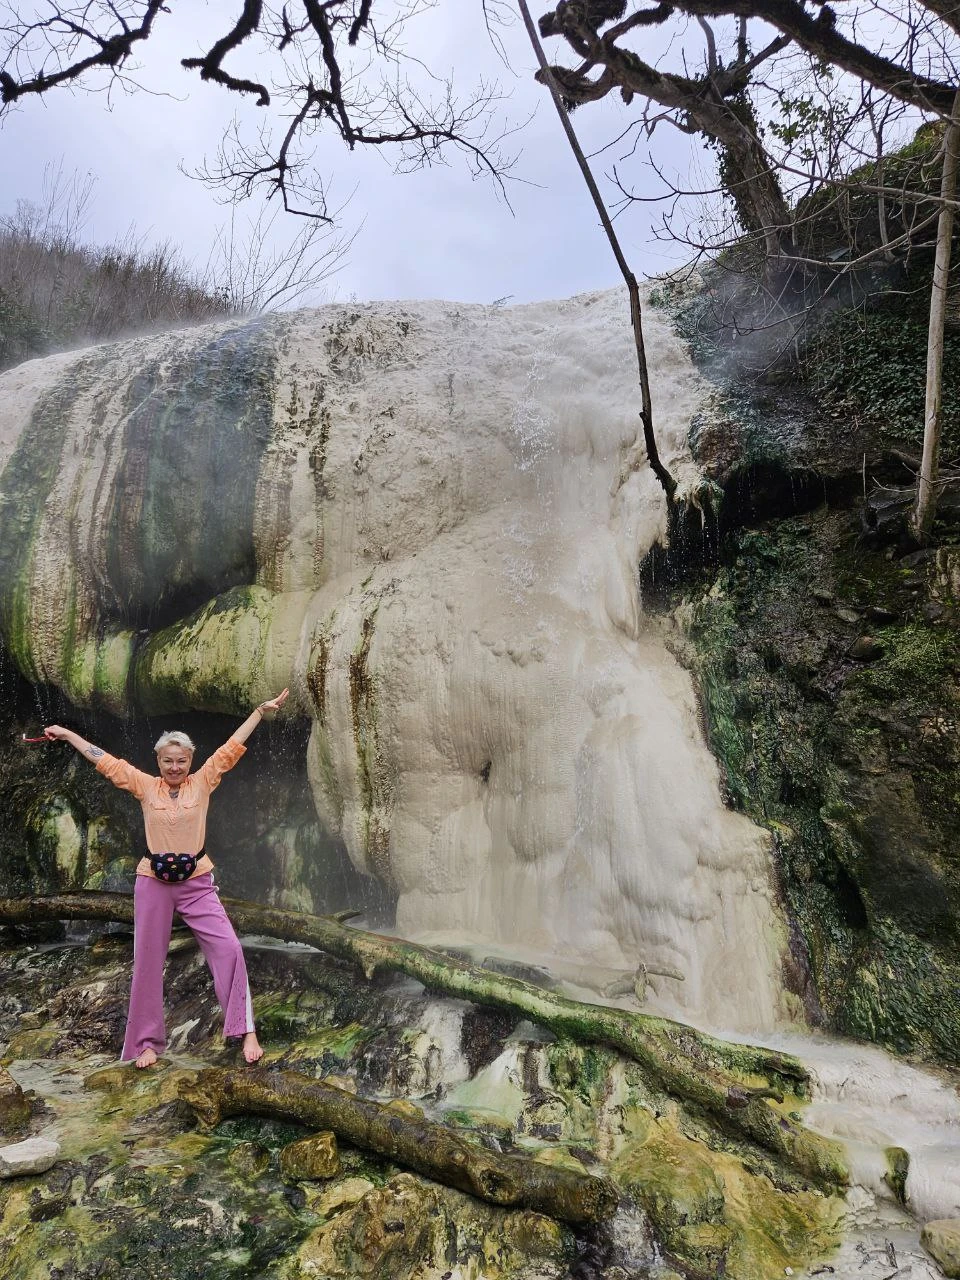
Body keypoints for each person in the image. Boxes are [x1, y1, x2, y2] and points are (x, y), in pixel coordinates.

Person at [43, 690, 289, 1069]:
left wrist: (259, 712)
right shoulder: (144, 785)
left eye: (181, 761)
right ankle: (147, 1043)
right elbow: (103, 760)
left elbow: (231, 746)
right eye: (168, 761)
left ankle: (245, 1030)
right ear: (158, 761)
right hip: (153, 882)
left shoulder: (203, 781)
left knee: (229, 948)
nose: (175, 767)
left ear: (190, 761)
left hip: (197, 881)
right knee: (146, 960)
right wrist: (68, 734)